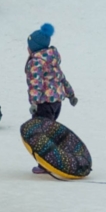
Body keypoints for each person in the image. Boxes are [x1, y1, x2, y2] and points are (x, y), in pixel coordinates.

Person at [23, 23, 77, 173]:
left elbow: (36, 84)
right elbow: (61, 78)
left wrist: (34, 102)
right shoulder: (52, 60)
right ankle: (48, 162)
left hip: (43, 104)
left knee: (41, 135)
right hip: (56, 103)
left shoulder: (36, 62)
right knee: (49, 130)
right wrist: (70, 94)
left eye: (29, 46)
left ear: (34, 48)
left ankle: (45, 164)